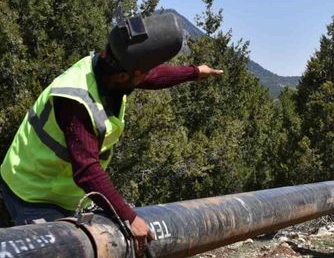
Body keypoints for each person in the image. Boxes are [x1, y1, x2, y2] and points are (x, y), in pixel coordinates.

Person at [0, 13, 223, 257]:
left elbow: (153, 76)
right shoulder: (76, 100)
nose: (144, 77)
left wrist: (194, 72)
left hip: (65, 191)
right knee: (59, 251)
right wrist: (129, 217)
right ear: (124, 76)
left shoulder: (113, 67)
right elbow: (86, 170)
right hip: (32, 191)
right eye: (140, 74)